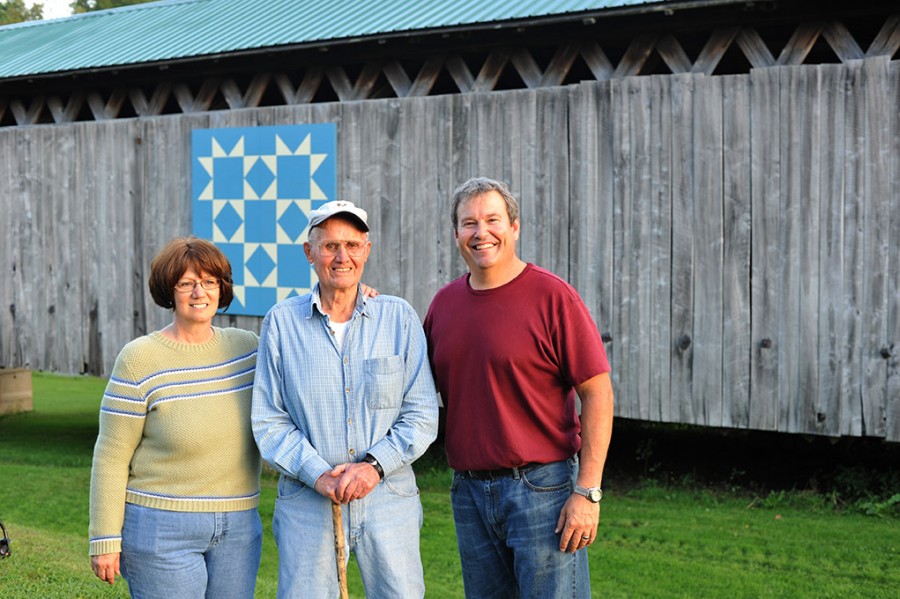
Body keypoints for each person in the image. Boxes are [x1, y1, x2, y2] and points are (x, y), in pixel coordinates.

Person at [423, 177, 615, 598]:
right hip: (468, 491)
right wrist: (366, 303)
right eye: (469, 223)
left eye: (492, 219)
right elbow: (411, 387)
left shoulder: (552, 297)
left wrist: (587, 491)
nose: (481, 232)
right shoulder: (443, 305)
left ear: (515, 227)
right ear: (456, 234)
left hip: (542, 490)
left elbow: (598, 392)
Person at [251, 200, 439, 598]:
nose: (342, 257)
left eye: (353, 245)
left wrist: (372, 468)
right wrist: (317, 473)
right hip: (307, 504)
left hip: (389, 499)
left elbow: (421, 414)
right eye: (330, 245)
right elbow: (269, 421)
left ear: (367, 250)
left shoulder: (398, 319)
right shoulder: (282, 323)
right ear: (309, 252)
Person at [89, 237, 262, 598]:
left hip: (239, 528)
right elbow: (111, 454)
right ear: (170, 290)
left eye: (209, 282)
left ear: (222, 288)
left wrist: (355, 298)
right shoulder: (139, 358)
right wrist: (104, 537)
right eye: (187, 283)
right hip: (160, 527)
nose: (199, 292)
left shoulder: (247, 348)